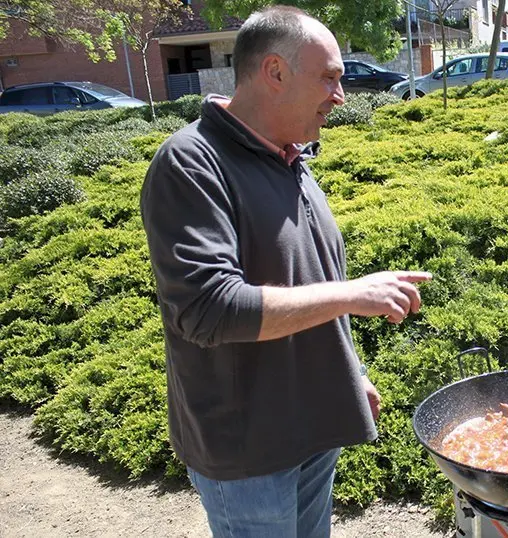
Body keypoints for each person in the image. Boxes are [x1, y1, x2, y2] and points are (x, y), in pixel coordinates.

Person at [140, 6, 431, 538]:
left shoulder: (291, 157)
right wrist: (351, 295)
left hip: (313, 428)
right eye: (329, 77)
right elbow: (208, 308)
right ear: (274, 72)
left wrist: (350, 370)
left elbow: (307, 272)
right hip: (249, 450)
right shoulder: (191, 164)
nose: (340, 96)